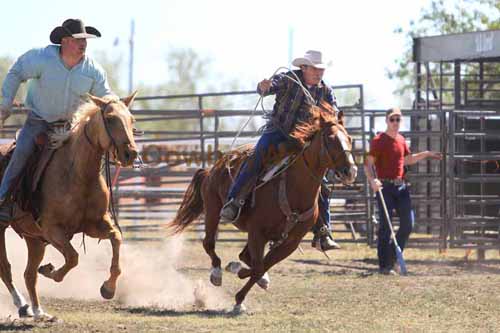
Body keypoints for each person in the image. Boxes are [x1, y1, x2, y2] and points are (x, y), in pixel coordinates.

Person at [220, 50, 340, 251]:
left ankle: (322, 231)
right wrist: (263, 87)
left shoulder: (325, 91)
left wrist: (332, 114)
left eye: (322, 69)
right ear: (304, 68)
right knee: (257, 157)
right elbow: (268, 88)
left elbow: (334, 111)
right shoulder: (289, 79)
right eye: (316, 69)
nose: (319, 73)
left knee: (322, 181)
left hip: (304, 140)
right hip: (278, 131)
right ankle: (234, 200)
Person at [0, 18, 113, 220]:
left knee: (89, 157)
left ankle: (91, 209)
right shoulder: (41, 58)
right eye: (79, 39)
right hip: (39, 121)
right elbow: (16, 71)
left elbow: (106, 97)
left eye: (85, 39)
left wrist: (117, 111)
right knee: (22, 152)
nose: (84, 44)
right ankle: (3, 201)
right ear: (65, 41)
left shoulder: (92, 70)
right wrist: (5, 102)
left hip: (72, 126)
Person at [364, 108, 442, 274]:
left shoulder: (401, 139)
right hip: (384, 187)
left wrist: (426, 153)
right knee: (386, 226)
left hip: (401, 187)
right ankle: (384, 266)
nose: (395, 123)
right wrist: (372, 180)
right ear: (386, 120)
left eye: (398, 119)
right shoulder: (379, 140)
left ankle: (392, 256)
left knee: (408, 224)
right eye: (392, 119)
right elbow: (368, 163)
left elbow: (408, 159)